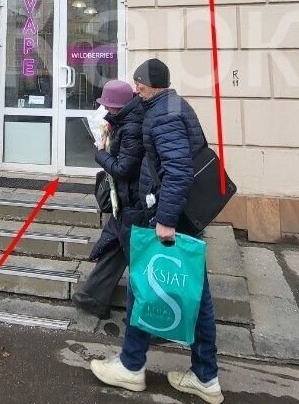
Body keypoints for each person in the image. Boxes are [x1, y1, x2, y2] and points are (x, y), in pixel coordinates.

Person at [90, 58, 223, 404]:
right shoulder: (171, 104)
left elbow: (177, 170)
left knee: (144, 284)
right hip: (180, 212)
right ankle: (204, 375)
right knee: (195, 294)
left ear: (145, 85)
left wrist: (165, 220)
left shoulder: (163, 115)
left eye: (138, 84)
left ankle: (132, 366)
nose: (136, 90)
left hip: (170, 215)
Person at [72, 79, 145, 319]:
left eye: (109, 105)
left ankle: (148, 315)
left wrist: (101, 153)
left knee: (131, 252)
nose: (106, 108)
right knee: (115, 243)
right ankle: (93, 297)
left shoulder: (132, 127)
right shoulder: (127, 120)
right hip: (129, 200)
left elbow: (124, 169)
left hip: (135, 200)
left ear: (119, 106)